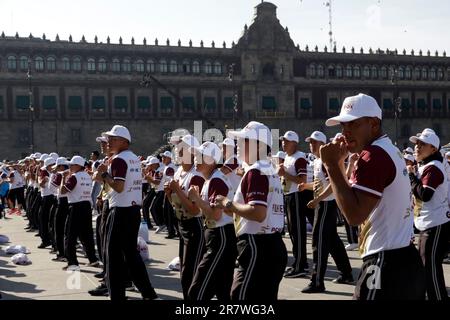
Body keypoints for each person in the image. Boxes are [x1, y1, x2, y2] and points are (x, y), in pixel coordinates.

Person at [321, 93, 425, 300]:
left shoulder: (373, 155)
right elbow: (352, 195)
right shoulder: (388, 149)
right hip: (402, 256)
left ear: (374, 124)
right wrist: (340, 165)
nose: (345, 132)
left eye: (353, 125)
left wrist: (332, 165)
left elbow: (354, 215)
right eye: (343, 126)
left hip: (383, 262)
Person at [215, 121, 287, 300]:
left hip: (257, 246)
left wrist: (228, 203)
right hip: (271, 244)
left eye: (244, 140)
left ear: (260, 145)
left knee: (240, 297)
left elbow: (258, 213)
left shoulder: (256, 172)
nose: (238, 145)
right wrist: (233, 210)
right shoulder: (268, 169)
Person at [96, 125, 158, 300]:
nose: (109, 142)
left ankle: (117, 296)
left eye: (113, 139)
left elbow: (119, 186)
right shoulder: (133, 159)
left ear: (124, 141)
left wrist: (103, 174)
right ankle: (148, 292)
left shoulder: (119, 159)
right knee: (131, 255)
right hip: (132, 210)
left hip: (120, 211)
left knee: (113, 256)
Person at [299, 131, 353, 293]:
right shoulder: (317, 161)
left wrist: (317, 199)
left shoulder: (324, 161)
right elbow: (320, 183)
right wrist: (307, 187)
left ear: (322, 144)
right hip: (323, 204)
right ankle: (346, 273)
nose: (311, 145)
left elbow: (334, 184)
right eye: (310, 142)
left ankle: (317, 281)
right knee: (334, 242)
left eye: (315, 142)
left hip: (326, 205)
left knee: (319, 242)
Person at [187, 141, 237, 301]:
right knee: (222, 290)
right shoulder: (211, 179)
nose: (196, 158)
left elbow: (215, 215)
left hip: (220, 236)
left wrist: (196, 200)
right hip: (218, 235)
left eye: (200, 156)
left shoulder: (216, 180)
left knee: (198, 291)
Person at [409, 129, 449, 300]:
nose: (417, 147)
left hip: (435, 225)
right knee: (427, 267)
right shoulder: (427, 165)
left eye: (422, 144)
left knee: (430, 268)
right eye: (416, 144)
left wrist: (411, 176)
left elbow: (425, 194)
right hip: (429, 224)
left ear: (433, 149)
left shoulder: (433, 167)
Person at [165, 135, 206, 299]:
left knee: (191, 271)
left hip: (195, 226)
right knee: (184, 270)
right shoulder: (179, 172)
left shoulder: (196, 175)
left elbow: (195, 210)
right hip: (182, 224)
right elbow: (175, 204)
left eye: (181, 149)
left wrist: (177, 190)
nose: (177, 151)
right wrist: (169, 194)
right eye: (176, 148)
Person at [278, 130, 311, 278]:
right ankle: (299, 264)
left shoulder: (299, 158)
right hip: (289, 195)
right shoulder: (287, 157)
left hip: (297, 196)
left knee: (297, 232)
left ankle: (300, 266)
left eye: (286, 141)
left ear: (294, 143)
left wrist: (285, 175)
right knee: (292, 232)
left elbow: (302, 180)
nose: (283, 143)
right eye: (283, 140)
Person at [60, 155, 99, 270]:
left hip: (76, 206)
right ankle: (93, 259)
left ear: (78, 166)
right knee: (86, 235)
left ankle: (72, 262)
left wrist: (64, 178)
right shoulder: (87, 176)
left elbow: (63, 191)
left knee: (70, 235)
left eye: (72, 165)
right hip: (86, 206)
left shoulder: (74, 177)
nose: (70, 167)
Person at [50, 157, 69, 262]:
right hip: (70, 202)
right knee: (68, 230)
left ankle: (61, 253)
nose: (56, 169)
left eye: (57, 167)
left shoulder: (60, 174)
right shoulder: (72, 173)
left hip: (62, 202)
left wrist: (53, 175)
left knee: (59, 229)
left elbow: (51, 187)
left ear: (61, 166)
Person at [37, 157, 56, 249]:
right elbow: (40, 184)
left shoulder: (56, 174)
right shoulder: (45, 173)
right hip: (46, 197)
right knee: (43, 219)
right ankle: (46, 240)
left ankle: (50, 241)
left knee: (49, 220)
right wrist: (43, 180)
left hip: (51, 197)